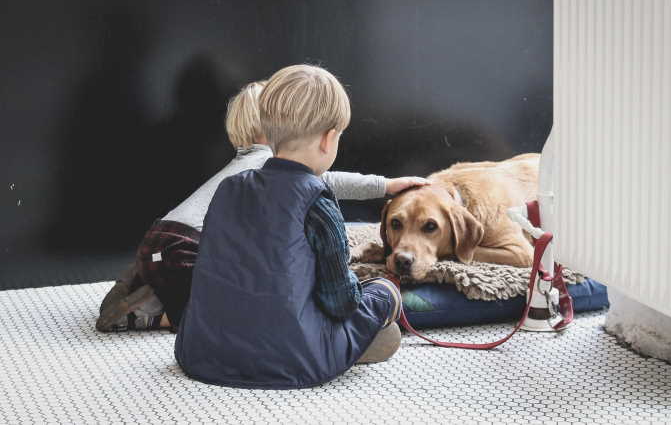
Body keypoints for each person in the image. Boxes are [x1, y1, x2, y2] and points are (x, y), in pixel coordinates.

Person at [96, 78, 425, 333]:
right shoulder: (270, 165)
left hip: (161, 239)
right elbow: (329, 180)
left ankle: (140, 286)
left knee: (180, 276)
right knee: (215, 311)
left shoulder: (245, 164)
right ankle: (152, 316)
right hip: (187, 247)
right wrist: (386, 185)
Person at [175, 65, 413, 389]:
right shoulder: (318, 203)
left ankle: (344, 343)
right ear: (329, 140)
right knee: (383, 292)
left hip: (204, 351)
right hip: (291, 359)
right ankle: (354, 341)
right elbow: (340, 302)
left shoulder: (229, 188)